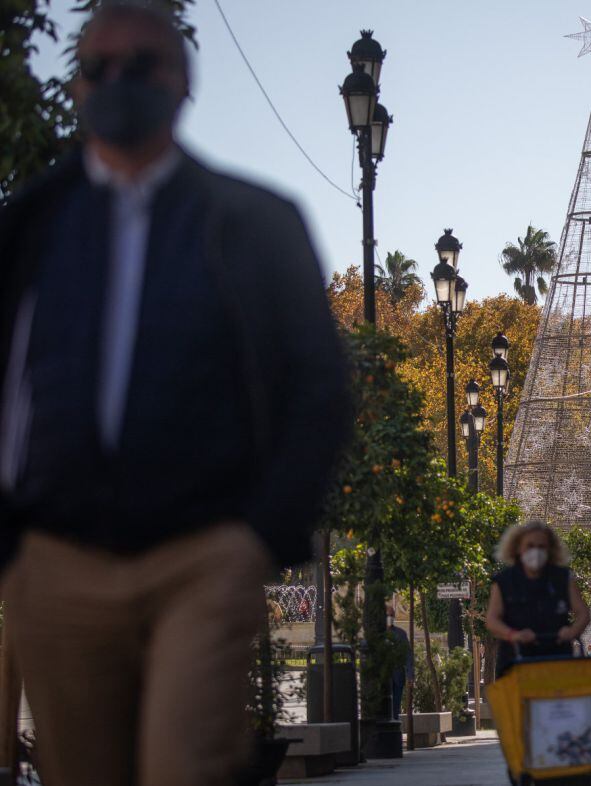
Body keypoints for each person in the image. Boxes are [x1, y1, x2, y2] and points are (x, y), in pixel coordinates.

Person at [0, 3, 348, 784]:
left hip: (202, 556)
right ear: (80, 86)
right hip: (56, 561)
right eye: (99, 67)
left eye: (143, 64)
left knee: (184, 763)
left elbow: (320, 386)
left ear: (183, 79)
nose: (120, 81)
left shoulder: (254, 223)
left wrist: (258, 536)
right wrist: (13, 547)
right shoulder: (30, 226)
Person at [485, 520, 591, 678]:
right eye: (530, 545)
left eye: (542, 546)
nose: (536, 551)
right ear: (518, 548)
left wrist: (572, 631)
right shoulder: (503, 581)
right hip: (516, 662)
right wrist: (513, 635)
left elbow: (583, 613)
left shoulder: (563, 578)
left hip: (557, 658)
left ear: (550, 549)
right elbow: (492, 620)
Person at [387, 605, 414, 720]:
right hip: (382, 678)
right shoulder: (376, 634)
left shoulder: (400, 634)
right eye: (387, 615)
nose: (389, 618)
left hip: (397, 677)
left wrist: (410, 675)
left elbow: (408, 655)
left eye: (391, 615)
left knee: (395, 707)